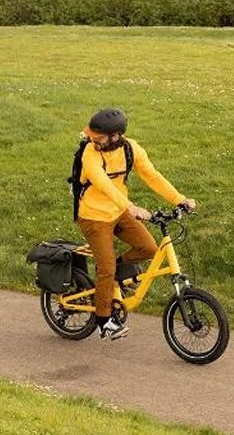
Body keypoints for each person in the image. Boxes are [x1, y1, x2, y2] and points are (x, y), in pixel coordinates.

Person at [75, 107, 196, 341]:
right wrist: (130, 207)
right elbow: (103, 184)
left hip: (118, 212)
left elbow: (152, 176)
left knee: (149, 248)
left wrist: (180, 199)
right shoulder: (90, 153)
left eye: (98, 137)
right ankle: (104, 321)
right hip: (94, 216)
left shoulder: (131, 149)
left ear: (115, 136)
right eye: (92, 135)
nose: (92, 139)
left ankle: (111, 276)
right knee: (106, 267)